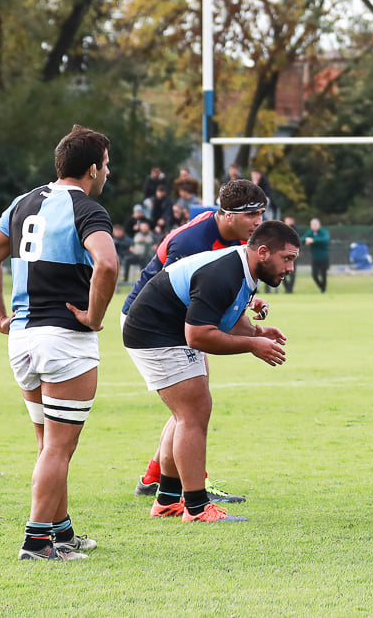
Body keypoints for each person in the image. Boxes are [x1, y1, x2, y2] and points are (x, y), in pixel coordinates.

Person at [0, 125, 118, 560]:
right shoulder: (87, 208)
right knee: (58, 446)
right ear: (92, 168)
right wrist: (94, 317)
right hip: (64, 341)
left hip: (23, 339)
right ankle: (37, 542)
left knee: (48, 444)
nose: (108, 172)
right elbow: (107, 264)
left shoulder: (22, 202)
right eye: (107, 165)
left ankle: (61, 531)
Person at [123, 221, 299, 523]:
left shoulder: (245, 267)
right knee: (193, 412)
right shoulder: (224, 272)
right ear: (264, 252)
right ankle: (195, 507)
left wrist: (256, 330)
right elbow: (199, 335)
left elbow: (226, 314)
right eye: (288, 259)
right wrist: (252, 345)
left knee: (189, 412)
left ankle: (167, 501)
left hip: (167, 330)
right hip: (155, 334)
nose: (291, 268)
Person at [126, 179, 269, 503]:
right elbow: (196, 294)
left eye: (261, 213)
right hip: (153, 319)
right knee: (192, 406)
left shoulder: (229, 237)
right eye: (251, 215)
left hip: (171, 317)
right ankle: (191, 491)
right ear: (228, 215)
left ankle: (156, 479)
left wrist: (246, 305)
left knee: (191, 404)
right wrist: (250, 338)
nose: (258, 222)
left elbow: (214, 290)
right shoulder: (194, 241)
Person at [303, 217, 330, 293]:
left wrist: (313, 240)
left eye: (315, 224)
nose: (313, 226)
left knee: (323, 274)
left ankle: (323, 290)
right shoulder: (309, 232)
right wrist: (306, 240)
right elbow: (302, 239)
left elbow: (325, 239)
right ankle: (322, 287)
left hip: (324, 257)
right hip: (315, 257)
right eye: (312, 224)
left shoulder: (324, 232)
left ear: (319, 225)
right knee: (314, 275)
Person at [280, 216, 300, 293]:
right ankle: (287, 288)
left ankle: (290, 289)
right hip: (283, 254)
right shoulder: (281, 229)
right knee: (282, 271)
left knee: (292, 273)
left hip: (292, 254)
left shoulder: (296, 230)